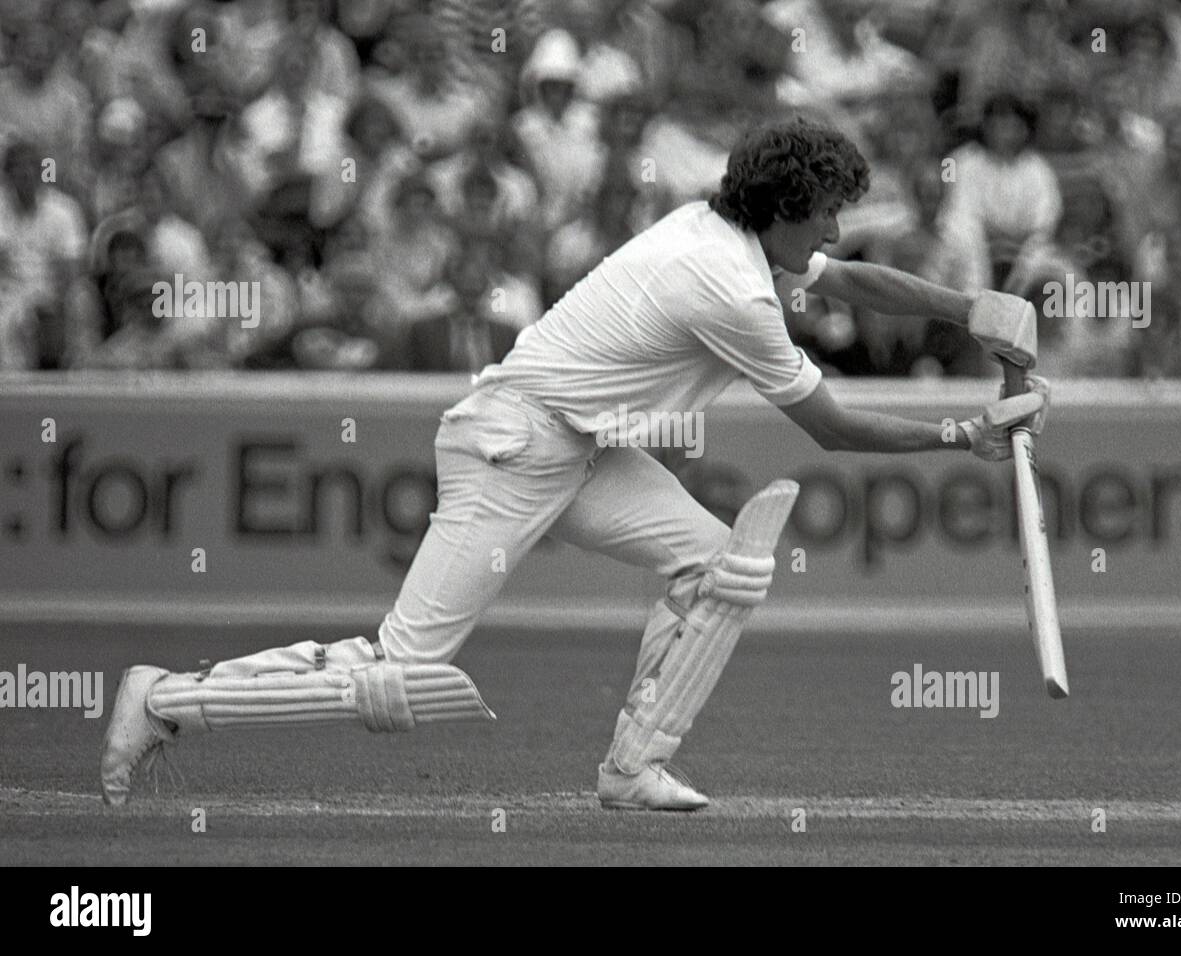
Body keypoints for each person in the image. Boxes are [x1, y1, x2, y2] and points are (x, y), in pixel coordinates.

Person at [100, 118, 1047, 812]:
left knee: (722, 565)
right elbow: (832, 429)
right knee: (401, 671)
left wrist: (969, 308)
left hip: (575, 446)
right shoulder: (729, 289)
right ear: (786, 209)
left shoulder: (733, 234)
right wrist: (965, 437)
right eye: (829, 216)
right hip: (511, 447)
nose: (835, 236)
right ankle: (169, 697)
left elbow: (847, 280)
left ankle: (633, 767)